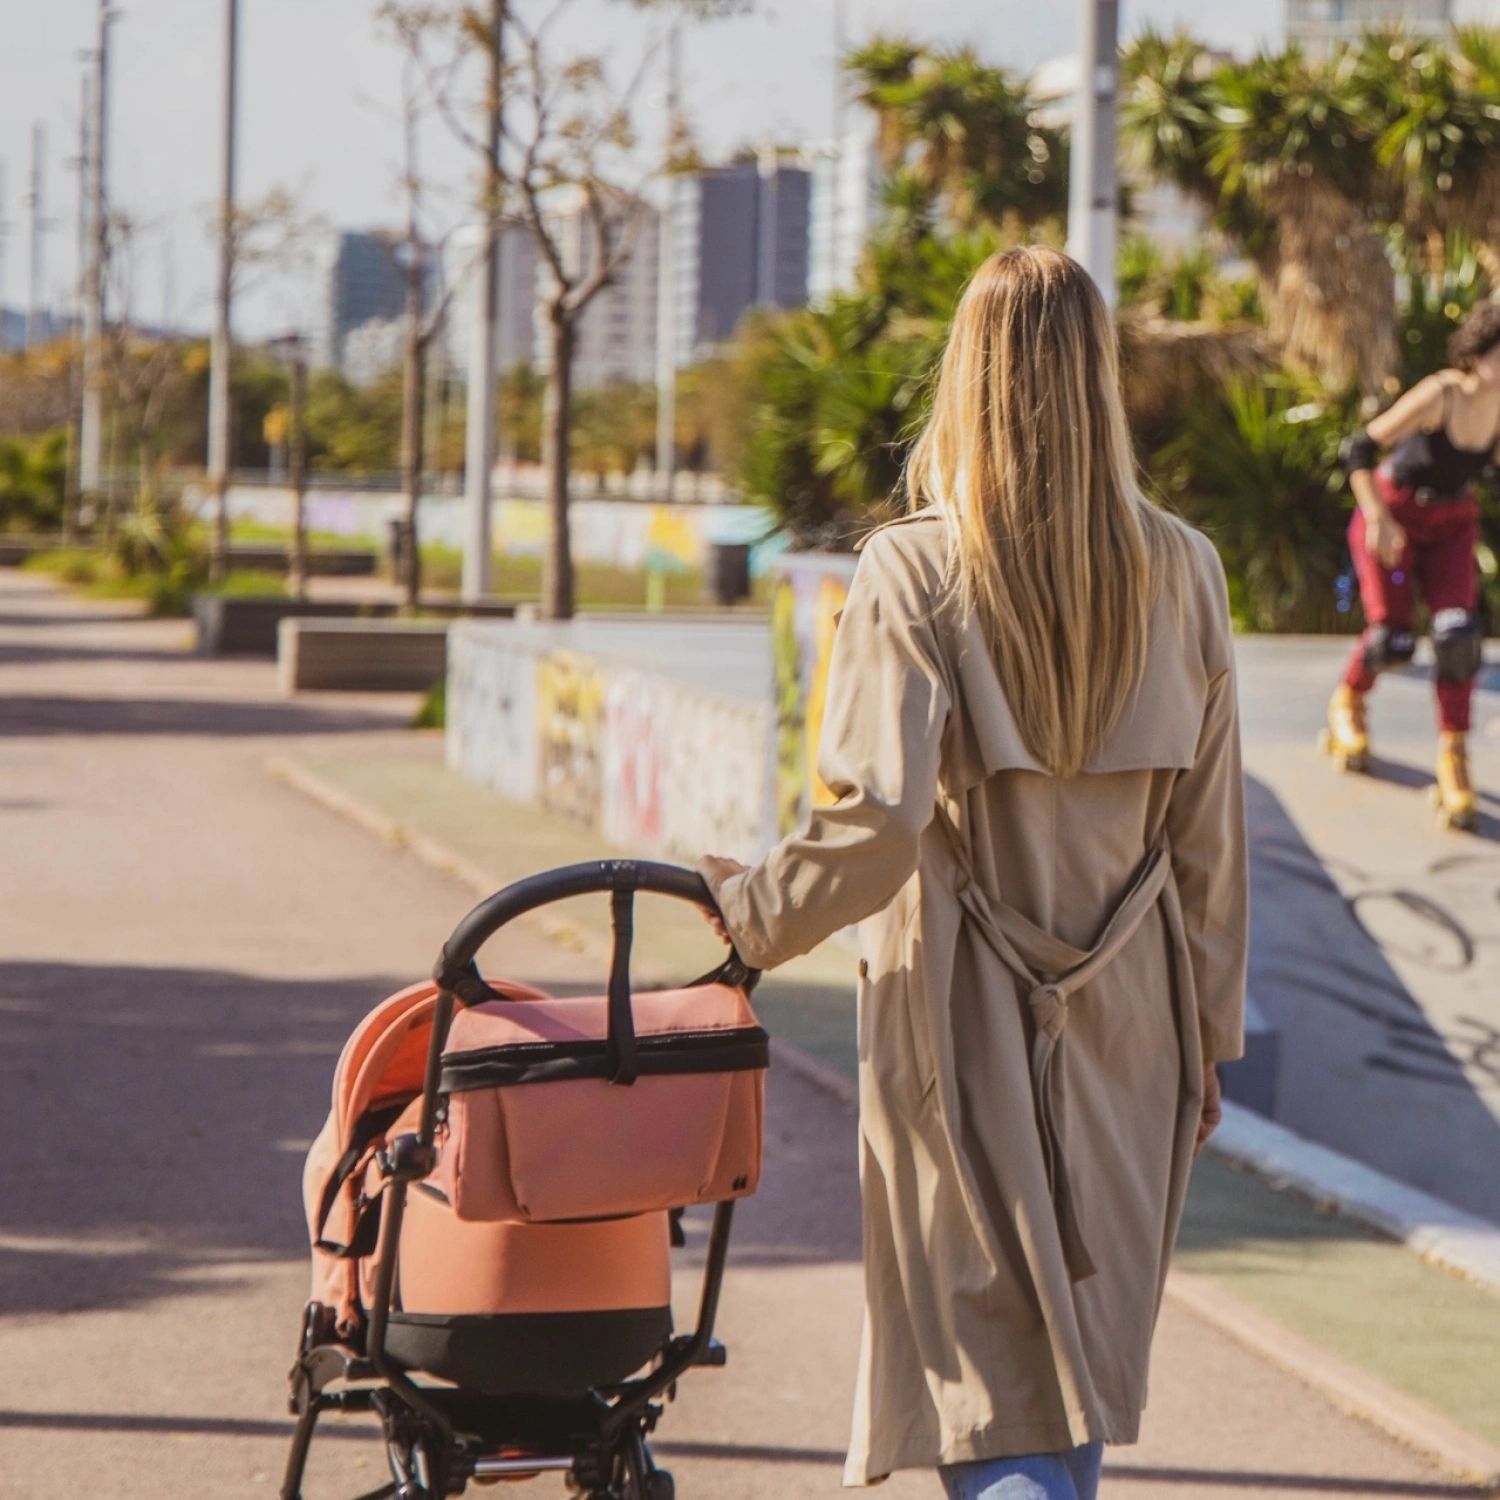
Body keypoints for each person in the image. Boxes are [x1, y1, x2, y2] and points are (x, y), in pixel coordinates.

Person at [698, 246, 1247, 1500]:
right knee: (1074, 1363)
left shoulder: (913, 570)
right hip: (1134, 1025)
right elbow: (1210, 846)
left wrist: (745, 912)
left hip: (964, 1018)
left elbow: (879, 823)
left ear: (966, 379)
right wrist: (1207, 1038)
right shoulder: (1187, 570)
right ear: (1098, 379)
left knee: (989, 1386)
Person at [1325, 303, 1498, 830]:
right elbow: (1357, 450)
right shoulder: (1442, 393)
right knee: (1393, 639)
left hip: (1451, 524)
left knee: (1457, 637)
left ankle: (1454, 755)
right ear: (1478, 353)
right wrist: (1377, 518)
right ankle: (1348, 704)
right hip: (1393, 516)